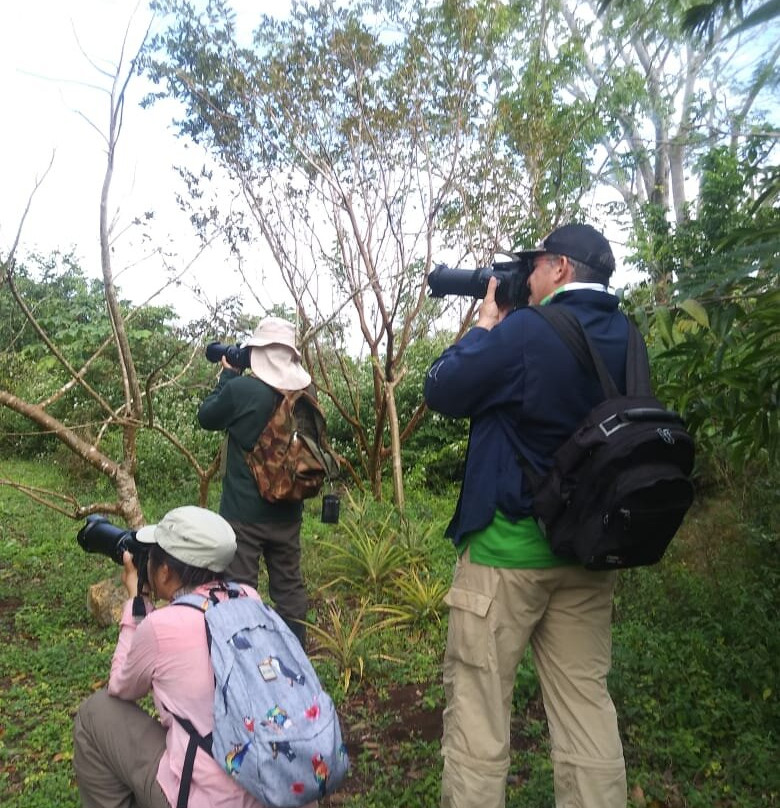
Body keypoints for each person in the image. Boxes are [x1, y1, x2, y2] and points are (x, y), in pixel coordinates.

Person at [424, 223, 630, 808]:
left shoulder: (524, 334)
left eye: (535, 266)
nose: (529, 276)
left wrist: (486, 326)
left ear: (560, 268)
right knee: (587, 707)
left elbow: (442, 391)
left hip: (506, 555)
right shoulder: (625, 334)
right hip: (587, 554)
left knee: (479, 712)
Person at [73, 505, 317, 808]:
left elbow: (121, 688)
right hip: (278, 785)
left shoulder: (160, 627)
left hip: (207, 800)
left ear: (164, 571)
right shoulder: (249, 598)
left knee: (95, 713)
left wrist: (137, 604)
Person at [197, 317, 312, 647]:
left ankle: (250, 660)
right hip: (289, 510)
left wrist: (227, 375)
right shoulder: (304, 394)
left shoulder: (241, 390)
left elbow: (207, 417)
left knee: (240, 587)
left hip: (243, 515)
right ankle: (295, 655)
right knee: (289, 587)